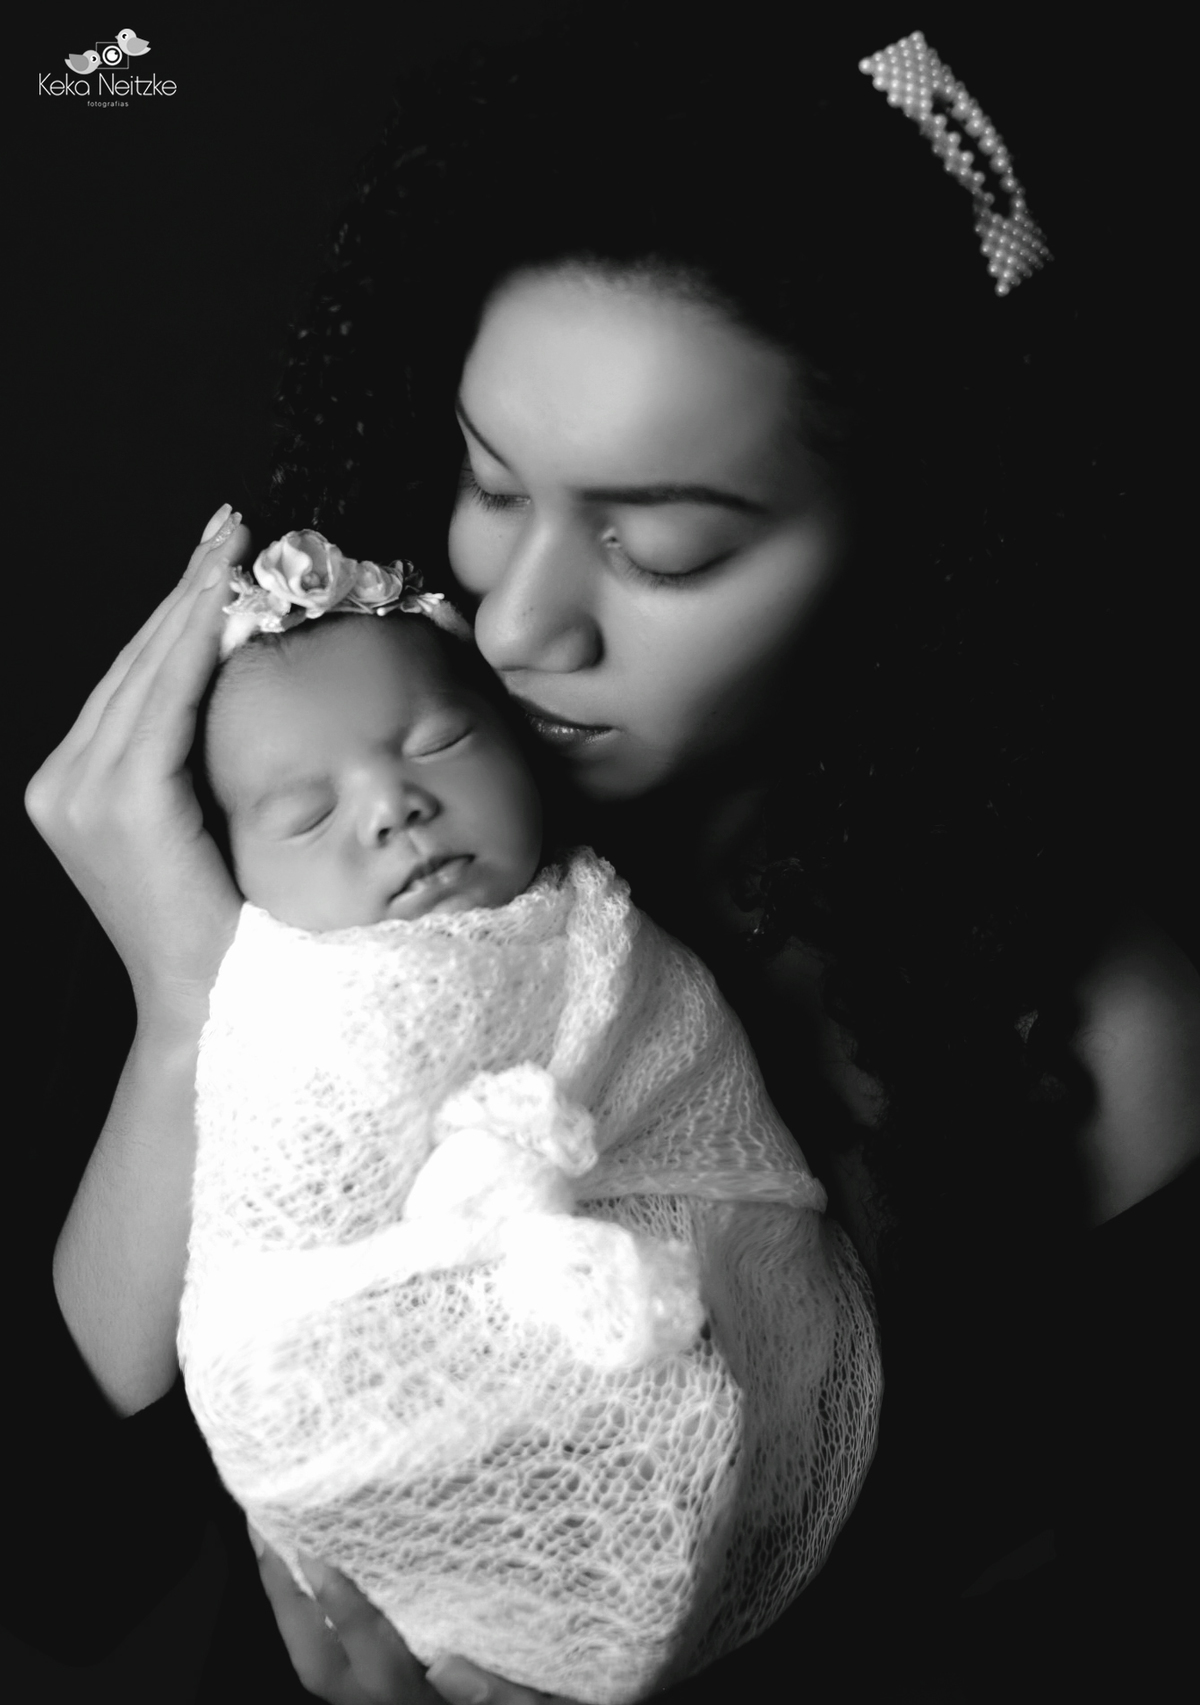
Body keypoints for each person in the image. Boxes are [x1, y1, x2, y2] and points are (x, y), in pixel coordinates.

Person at [24, 15, 1198, 1702]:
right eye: (492, 486)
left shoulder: (1082, 1036)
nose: (515, 622)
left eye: (663, 550)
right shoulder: (322, 826)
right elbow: (60, 1568)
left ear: (916, 546)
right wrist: (186, 1011)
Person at [181, 529, 877, 1701]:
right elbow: (275, 1253)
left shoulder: (602, 923)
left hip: (680, 1379)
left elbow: (699, 1112)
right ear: (240, 876)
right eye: (305, 813)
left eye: (441, 743)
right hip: (404, 1395)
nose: (395, 806)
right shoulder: (297, 1001)